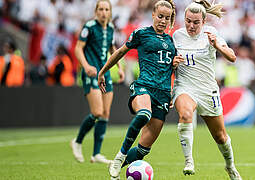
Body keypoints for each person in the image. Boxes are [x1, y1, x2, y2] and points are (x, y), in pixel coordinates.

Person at [97, 0, 182, 179]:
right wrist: (103, 71)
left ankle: (117, 166)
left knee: (144, 149)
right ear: (152, 15)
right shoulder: (141, 34)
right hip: (144, 86)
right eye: (160, 16)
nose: (163, 21)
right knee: (144, 114)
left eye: (167, 18)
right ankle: (121, 155)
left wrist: (173, 90)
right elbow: (120, 52)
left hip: (164, 94)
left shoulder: (172, 41)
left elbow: (172, 69)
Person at [172, 1, 242, 179]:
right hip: (185, 87)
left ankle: (230, 166)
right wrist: (172, 65)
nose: (191, 26)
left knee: (220, 137)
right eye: (188, 21)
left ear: (203, 22)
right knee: (186, 114)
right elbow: (168, 65)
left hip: (207, 90)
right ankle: (189, 161)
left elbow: (232, 57)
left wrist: (217, 45)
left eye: (196, 22)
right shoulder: (177, 36)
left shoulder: (212, 34)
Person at [70, 0, 124, 165]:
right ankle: (77, 141)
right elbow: (78, 48)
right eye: (100, 9)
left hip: (105, 73)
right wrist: (86, 66)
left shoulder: (111, 28)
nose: (103, 12)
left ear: (110, 12)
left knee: (105, 113)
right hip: (91, 73)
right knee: (97, 112)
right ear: (96, 11)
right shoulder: (89, 27)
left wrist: (120, 67)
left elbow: (112, 49)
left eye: (106, 9)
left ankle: (96, 154)